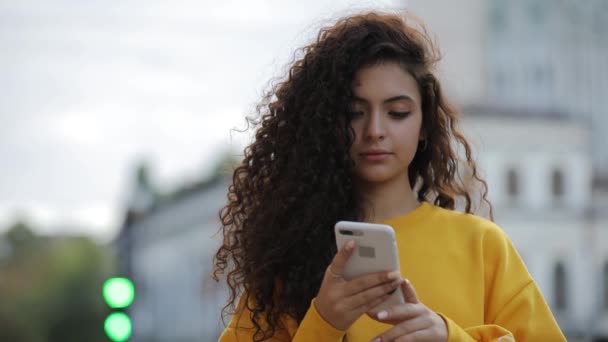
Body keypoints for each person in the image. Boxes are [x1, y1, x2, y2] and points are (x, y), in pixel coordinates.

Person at [213, 11, 565, 342]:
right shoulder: (289, 257)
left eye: (397, 112)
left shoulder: (482, 246)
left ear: (425, 125)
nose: (375, 130)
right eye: (354, 112)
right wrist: (324, 322)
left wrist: (449, 335)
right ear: (327, 124)